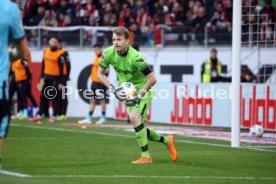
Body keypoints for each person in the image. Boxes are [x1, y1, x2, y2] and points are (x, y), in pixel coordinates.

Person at [98, 27, 178, 164]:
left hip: (143, 89)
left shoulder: (136, 57)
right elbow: (99, 73)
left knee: (134, 117)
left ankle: (146, 156)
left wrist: (140, 94)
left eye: (119, 39)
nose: (116, 42)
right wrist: (113, 89)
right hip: (128, 92)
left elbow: (152, 79)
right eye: (114, 39)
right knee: (140, 127)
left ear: (127, 41)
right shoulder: (108, 53)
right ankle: (167, 141)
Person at [0, 0, 28, 171]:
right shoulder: (8, 9)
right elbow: (23, 51)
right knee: (2, 120)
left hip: (19, 78)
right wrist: (9, 56)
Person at [29, 36, 69, 123]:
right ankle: (40, 114)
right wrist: (41, 78)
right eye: (52, 41)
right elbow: (43, 65)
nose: (53, 43)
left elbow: (62, 69)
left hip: (56, 78)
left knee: (55, 97)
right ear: (49, 42)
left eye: (55, 41)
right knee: (43, 96)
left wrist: (61, 82)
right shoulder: (45, 51)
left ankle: (54, 115)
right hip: (46, 77)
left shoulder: (60, 54)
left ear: (57, 43)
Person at [78, 44, 108, 125]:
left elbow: (106, 72)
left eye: (97, 49)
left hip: (100, 83)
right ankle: (89, 118)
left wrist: (103, 81)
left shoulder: (104, 58)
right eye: (95, 50)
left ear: (101, 49)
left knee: (102, 100)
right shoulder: (96, 57)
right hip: (94, 82)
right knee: (92, 100)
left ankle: (103, 117)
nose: (96, 51)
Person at [10, 48, 37, 119]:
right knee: (20, 95)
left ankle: (26, 111)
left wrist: (29, 79)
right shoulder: (14, 60)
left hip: (24, 79)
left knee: (25, 95)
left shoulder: (23, 59)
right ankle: (21, 111)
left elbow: (27, 69)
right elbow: (12, 70)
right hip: (17, 79)